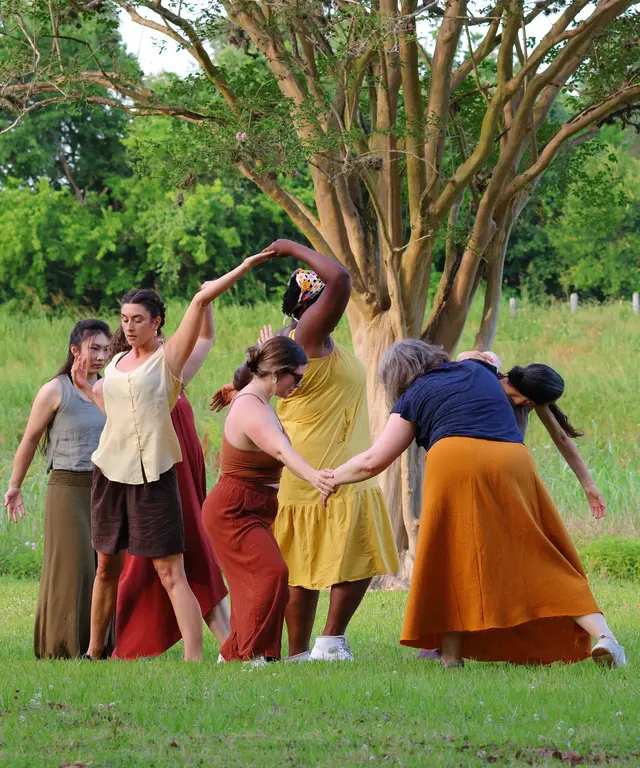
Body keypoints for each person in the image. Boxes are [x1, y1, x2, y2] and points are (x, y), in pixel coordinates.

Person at [323, 340, 626, 668]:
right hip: (511, 458)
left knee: (449, 558)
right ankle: (606, 636)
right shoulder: (478, 369)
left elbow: (372, 461)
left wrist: (332, 477)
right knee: (542, 552)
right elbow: (485, 356)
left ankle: (451, 659)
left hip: (451, 462)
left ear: (397, 377)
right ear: (433, 355)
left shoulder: (411, 398)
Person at [72, 253, 270, 662]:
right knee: (107, 566)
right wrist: (86, 389)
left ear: (156, 321)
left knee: (170, 568)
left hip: (154, 473)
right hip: (110, 471)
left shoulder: (168, 361)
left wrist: (244, 268)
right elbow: (116, 415)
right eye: (124, 319)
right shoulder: (115, 364)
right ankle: (93, 652)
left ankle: (194, 660)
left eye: (137, 319)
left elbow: (200, 312)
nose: (127, 326)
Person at [211, 240, 399, 662]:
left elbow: (248, 374)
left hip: (332, 460)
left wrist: (239, 380)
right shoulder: (309, 336)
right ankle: (315, 646)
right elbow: (341, 279)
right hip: (318, 464)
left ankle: (314, 646)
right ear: (311, 308)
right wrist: (288, 248)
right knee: (310, 563)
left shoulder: (291, 343)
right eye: (323, 304)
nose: (332, 309)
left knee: (325, 558)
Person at [202, 336, 334, 664]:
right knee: (271, 574)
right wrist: (315, 477)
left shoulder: (256, 399)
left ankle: (237, 653)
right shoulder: (250, 407)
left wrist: (275, 341)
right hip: (234, 510)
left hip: (254, 507)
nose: (299, 386)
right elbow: (280, 449)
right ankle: (252, 655)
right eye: (297, 378)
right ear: (276, 373)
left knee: (260, 580)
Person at [111, 305, 230, 659]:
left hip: (178, 477)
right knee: (164, 561)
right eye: (126, 321)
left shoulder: (171, 369)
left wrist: (206, 303)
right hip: (151, 473)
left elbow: (205, 337)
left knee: (191, 554)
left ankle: (227, 645)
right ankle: (226, 645)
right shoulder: (130, 375)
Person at [3, 320, 111, 659]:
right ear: (75, 349)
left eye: (106, 349)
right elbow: (30, 440)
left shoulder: (109, 388)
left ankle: (101, 646)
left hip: (106, 487)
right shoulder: (55, 390)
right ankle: (62, 645)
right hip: (67, 486)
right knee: (73, 565)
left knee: (103, 567)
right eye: (94, 348)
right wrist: (14, 487)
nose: (101, 356)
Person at [457, 351, 606, 517]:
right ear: (531, 402)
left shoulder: (526, 396)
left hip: (504, 476)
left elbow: (561, 438)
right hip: (472, 473)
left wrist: (589, 485)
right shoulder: (486, 384)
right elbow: (463, 357)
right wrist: (490, 361)